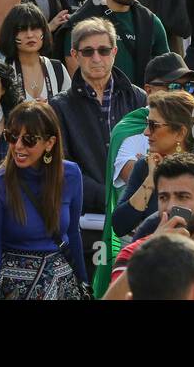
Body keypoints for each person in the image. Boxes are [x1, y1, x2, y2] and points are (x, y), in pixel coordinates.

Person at [0, 101, 86, 299]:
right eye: (12, 136)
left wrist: (83, 283)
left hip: (64, 286)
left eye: (29, 140)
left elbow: (73, 234)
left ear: (49, 143)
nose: (18, 146)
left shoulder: (70, 174)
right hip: (16, 290)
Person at [52, 17, 147, 224]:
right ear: (75, 55)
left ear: (114, 52)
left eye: (103, 50)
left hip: (136, 213)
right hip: (86, 219)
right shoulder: (59, 107)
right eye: (88, 51)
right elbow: (62, 168)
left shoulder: (139, 98)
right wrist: (108, 197)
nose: (96, 58)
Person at [105, 151, 194, 301]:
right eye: (163, 197)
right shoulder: (135, 255)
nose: (171, 206)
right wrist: (150, 255)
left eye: (183, 197)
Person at [63, 0, 169, 86]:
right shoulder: (79, 23)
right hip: (96, 104)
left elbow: (166, 72)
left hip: (141, 103)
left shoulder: (150, 21)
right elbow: (77, 82)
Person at [110, 91, 194, 238]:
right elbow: (120, 225)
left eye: (153, 125)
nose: (146, 132)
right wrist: (151, 178)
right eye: (148, 124)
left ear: (180, 133)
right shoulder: (145, 166)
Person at [0, 3, 71, 101]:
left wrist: (50, 108)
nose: (29, 35)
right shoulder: (2, 71)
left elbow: (70, 108)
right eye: (22, 29)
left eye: (35, 28)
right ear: (11, 34)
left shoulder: (57, 69)